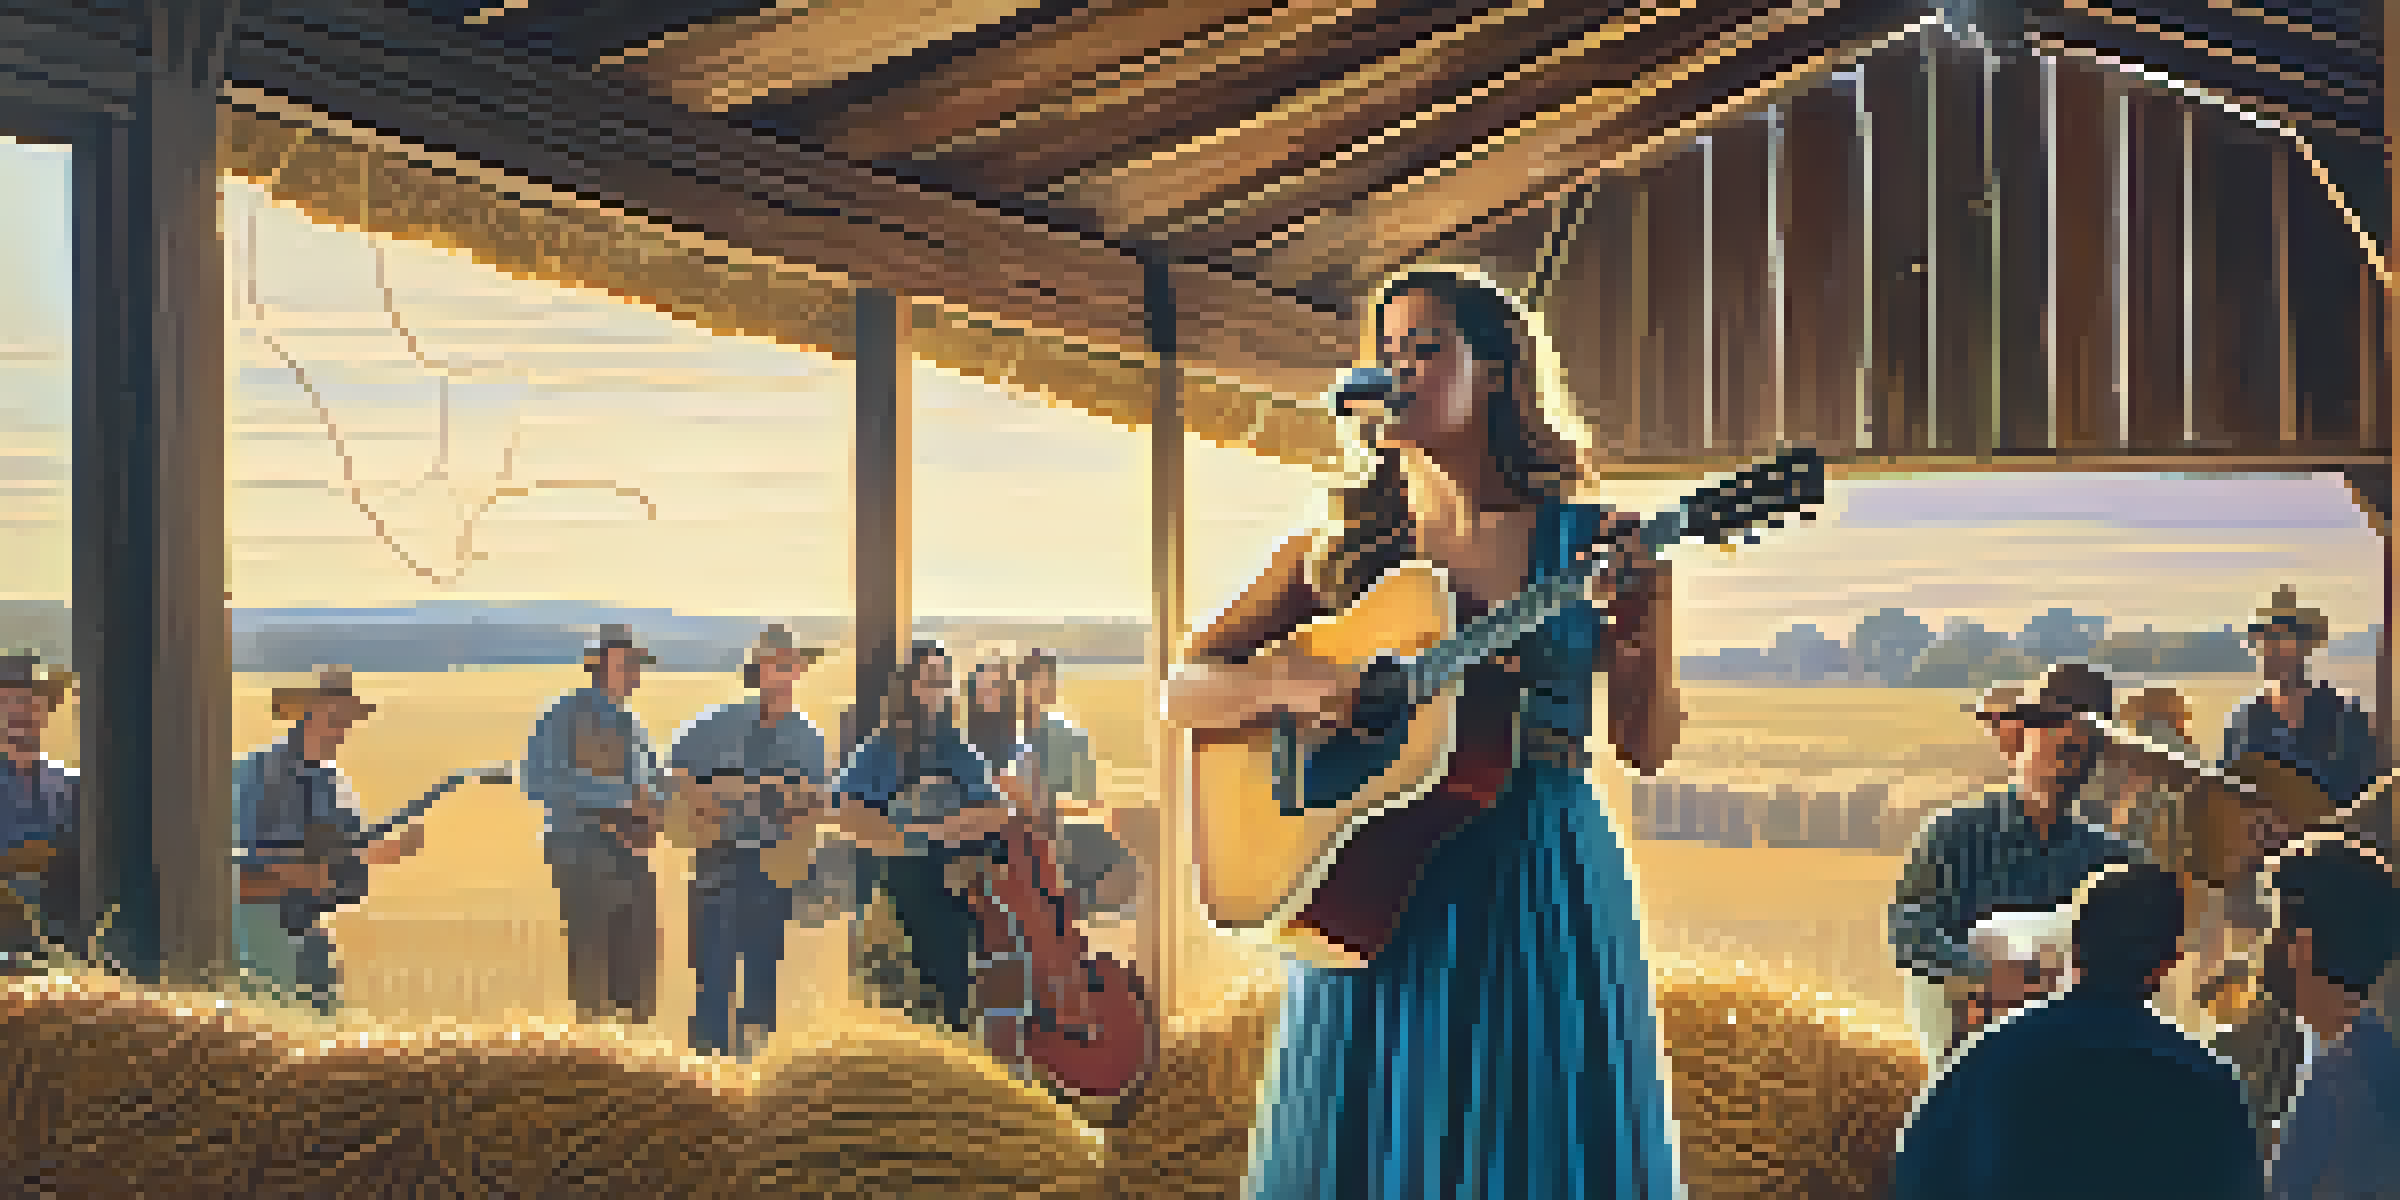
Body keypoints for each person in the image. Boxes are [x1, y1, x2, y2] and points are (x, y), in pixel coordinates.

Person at [1163, 264, 1681, 1197]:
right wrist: (1290, 681)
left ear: (1494, 374)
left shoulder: (1587, 542)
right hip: (1368, 874)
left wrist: (1648, 618)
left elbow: (1643, 745)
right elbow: (1186, 690)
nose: (1397, 369)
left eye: (1424, 349)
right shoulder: (1338, 554)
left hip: (1536, 873)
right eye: (1386, 352)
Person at [1893, 861, 2264, 1200]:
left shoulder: (1988, 1060)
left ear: (2074, 945)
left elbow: (1919, 1176)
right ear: (2169, 962)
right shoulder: (2209, 1084)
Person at [1892, 660, 2150, 1064]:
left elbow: (2141, 964)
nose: (2070, 736)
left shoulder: (2117, 861)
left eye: (2088, 731)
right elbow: (1908, 931)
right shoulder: (1952, 835)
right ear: (2018, 736)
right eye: (2052, 721)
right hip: (1975, 1061)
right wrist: (1985, 973)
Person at [822, 641, 1015, 1034]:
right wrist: (916, 836)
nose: (939, 692)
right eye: (930, 682)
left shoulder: (956, 746)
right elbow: (845, 810)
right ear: (908, 686)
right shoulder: (881, 748)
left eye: (944, 682)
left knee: (959, 984)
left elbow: (997, 811)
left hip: (954, 888)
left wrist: (942, 829)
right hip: (896, 891)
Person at [664, 624, 830, 1059]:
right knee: (713, 965)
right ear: (758, 670)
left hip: (772, 862)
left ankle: (756, 1062)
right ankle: (709, 1069)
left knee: (762, 964)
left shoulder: (808, 735)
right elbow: (674, 773)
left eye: (791, 666)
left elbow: (814, 800)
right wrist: (708, 797)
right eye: (775, 665)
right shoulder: (716, 722)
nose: (784, 674)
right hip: (717, 857)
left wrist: (794, 802)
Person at [230, 666, 429, 1013]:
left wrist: (387, 852)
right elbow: (264, 864)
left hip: (301, 923)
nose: (342, 728)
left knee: (319, 1021)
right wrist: (324, 870)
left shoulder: (330, 779)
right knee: (275, 1023)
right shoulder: (269, 772)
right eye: (334, 717)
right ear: (306, 714)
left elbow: (344, 854)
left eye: (347, 719)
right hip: (259, 924)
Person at [524, 624, 664, 1025]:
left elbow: (653, 782)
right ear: (598, 665)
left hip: (631, 852)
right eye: (626, 663)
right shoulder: (562, 714)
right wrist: (622, 797)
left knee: (636, 964)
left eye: (637, 664)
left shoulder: (634, 724)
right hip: (580, 847)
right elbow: (538, 781)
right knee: (592, 963)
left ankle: (634, 1057)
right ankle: (596, 1056)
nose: (634, 672)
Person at [2259, 832, 2400, 1199]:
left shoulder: (2331, 1083)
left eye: (2273, 925)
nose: (2263, 945)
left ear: (2301, 945)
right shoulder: (2375, 1055)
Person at [2224, 585, 2381, 811]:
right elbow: (2227, 791)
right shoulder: (2242, 721)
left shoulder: (2345, 716)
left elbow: (2361, 798)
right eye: (2265, 639)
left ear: (2305, 645)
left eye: (2281, 638)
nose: (2271, 649)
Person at [1018, 650, 1137, 919]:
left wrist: (1057, 811)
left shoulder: (1070, 737)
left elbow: (1087, 801)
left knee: (1124, 866)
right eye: (1035, 680)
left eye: (1049, 680)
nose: (1043, 687)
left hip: (1065, 827)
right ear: (1022, 686)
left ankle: (1072, 903)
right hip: (1018, 828)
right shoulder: (1004, 736)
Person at [0, 653, 79, 970]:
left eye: (30, 702)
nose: (19, 711)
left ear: (45, 710)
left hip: (63, 946)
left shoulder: (73, 786)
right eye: (6, 702)